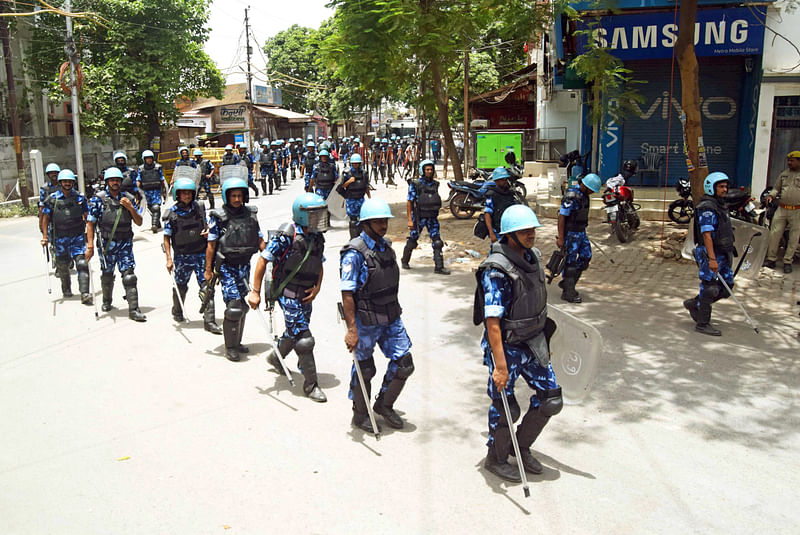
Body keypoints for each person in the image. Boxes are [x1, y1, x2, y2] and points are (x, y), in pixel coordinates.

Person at [474, 204, 561, 482]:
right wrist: (500, 366)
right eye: (523, 230)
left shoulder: (534, 256)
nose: (530, 234)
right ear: (509, 235)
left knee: (551, 399)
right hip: (507, 347)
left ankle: (520, 446)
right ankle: (496, 457)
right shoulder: (496, 271)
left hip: (533, 342)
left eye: (532, 229)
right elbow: (493, 323)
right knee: (506, 406)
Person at [340, 198, 414, 432]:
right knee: (365, 369)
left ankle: (384, 404)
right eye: (378, 221)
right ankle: (360, 414)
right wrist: (352, 329)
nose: (383, 225)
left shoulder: (386, 247)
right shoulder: (355, 253)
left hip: (391, 315)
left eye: (385, 220)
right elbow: (347, 293)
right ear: (366, 223)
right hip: (366, 319)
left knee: (405, 363)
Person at [247, 193, 330, 402]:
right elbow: (262, 261)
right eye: (314, 214)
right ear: (302, 216)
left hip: (306, 294)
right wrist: (255, 292)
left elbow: (319, 263)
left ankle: (276, 357)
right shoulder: (287, 235)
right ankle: (311, 385)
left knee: (294, 331)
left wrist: (318, 287)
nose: (320, 217)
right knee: (305, 339)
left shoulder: (317, 237)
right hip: (289, 293)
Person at [205, 178, 265, 361]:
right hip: (227, 267)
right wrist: (208, 269)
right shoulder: (218, 217)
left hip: (244, 265)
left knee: (243, 307)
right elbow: (211, 244)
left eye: (240, 196)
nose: (237, 199)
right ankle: (230, 347)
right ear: (227, 197)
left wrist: (271, 255)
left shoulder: (251, 215)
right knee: (233, 307)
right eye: (233, 196)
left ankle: (237, 341)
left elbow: (260, 238)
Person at [86, 167, 147, 322]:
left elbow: (139, 222)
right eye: (112, 180)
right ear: (107, 182)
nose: (115, 183)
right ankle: (107, 301)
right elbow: (90, 224)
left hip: (125, 243)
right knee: (107, 274)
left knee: (129, 276)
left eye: (118, 180)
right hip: (106, 244)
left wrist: (131, 208)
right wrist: (90, 246)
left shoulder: (128, 198)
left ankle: (134, 309)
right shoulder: (98, 200)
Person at [163, 177, 222, 334]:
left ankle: (209, 320)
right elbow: (166, 237)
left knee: (207, 287)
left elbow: (208, 226)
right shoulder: (172, 214)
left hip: (201, 254)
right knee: (180, 287)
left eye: (189, 193)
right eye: (184, 193)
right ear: (177, 195)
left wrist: (208, 231)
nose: (187, 196)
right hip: (182, 256)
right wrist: (169, 258)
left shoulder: (199, 208)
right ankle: (177, 310)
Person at [683, 172, 736, 336]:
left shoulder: (720, 205)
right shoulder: (707, 208)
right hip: (710, 253)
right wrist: (712, 259)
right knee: (710, 288)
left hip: (722, 252)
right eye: (721, 187)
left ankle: (695, 303)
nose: (724, 189)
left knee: (727, 288)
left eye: (725, 186)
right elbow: (706, 235)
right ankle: (702, 323)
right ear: (711, 188)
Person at [40, 169, 91, 303]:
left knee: (82, 263)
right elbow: (45, 218)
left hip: (77, 237)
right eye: (65, 181)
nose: (67, 184)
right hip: (60, 238)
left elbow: (87, 216)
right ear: (60, 182)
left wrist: (90, 229)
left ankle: (85, 293)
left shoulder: (80, 198)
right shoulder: (52, 199)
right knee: (63, 265)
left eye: (70, 181)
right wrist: (45, 237)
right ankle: (66, 288)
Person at [556, 173, 601, 303]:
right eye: (592, 190)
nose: (592, 193)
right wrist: (561, 238)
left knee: (586, 257)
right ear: (586, 186)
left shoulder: (585, 196)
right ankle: (568, 292)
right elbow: (562, 217)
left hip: (581, 232)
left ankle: (567, 283)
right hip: (571, 234)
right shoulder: (571, 196)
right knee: (570, 263)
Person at [401, 159, 450, 275]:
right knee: (413, 240)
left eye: (431, 169)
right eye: (427, 169)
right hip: (419, 217)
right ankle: (405, 260)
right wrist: (409, 220)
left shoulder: (435, 184)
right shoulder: (416, 185)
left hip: (432, 218)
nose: (429, 171)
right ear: (422, 171)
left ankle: (439, 266)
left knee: (437, 242)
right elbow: (409, 202)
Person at [764, 150, 800, 273]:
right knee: (775, 234)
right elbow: (776, 189)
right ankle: (771, 259)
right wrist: (771, 196)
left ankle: (787, 261)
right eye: (788, 160)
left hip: (797, 211)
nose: (789, 163)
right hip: (782, 208)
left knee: (794, 238)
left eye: (792, 161)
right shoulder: (784, 174)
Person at [484, 167, 520, 246]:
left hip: (510, 231)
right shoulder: (491, 195)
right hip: (498, 232)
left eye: (505, 179)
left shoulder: (510, 194)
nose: (505, 182)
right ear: (497, 181)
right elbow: (487, 214)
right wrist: (491, 233)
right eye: (503, 180)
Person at [339, 154, 371, 238]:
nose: (356, 165)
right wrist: (349, 181)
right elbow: (341, 186)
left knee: (363, 219)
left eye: (357, 163)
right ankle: (353, 238)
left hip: (361, 199)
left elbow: (366, 186)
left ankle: (361, 237)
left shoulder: (364, 173)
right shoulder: (346, 173)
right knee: (353, 221)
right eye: (354, 163)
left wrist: (370, 198)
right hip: (351, 199)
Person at [136, 149, 166, 233]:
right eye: (147, 158)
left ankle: (154, 226)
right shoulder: (141, 169)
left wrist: (164, 192)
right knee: (151, 209)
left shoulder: (158, 167)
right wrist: (137, 191)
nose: (149, 160)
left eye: (150, 158)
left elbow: (162, 180)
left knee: (156, 207)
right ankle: (157, 223)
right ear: (144, 159)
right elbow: (138, 180)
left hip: (156, 191)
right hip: (146, 192)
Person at [39, 162, 61, 231]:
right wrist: (40, 222)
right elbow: (42, 206)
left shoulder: (64, 186)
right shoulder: (45, 189)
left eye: (56, 172)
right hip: (50, 216)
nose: (54, 174)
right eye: (51, 173)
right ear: (48, 175)